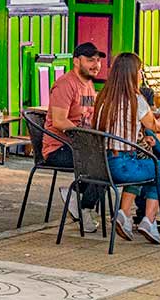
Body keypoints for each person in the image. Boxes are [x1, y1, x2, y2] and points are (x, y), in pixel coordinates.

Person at [91, 52, 160, 245]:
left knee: (143, 164)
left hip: (101, 165)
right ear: (133, 74)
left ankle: (125, 214)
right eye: (140, 71)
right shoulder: (136, 99)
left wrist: (142, 139)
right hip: (122, 166)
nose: (141, 75)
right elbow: (156, 126)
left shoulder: (103, 97)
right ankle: (149, 220)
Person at [44, 42, 105, 226]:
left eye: (98, 60)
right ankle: (84, 208)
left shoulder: (88, 85)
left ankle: (76, 195)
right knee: (101, 164)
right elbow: (59, 121)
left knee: (111, 160)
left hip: (80, 147)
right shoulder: (65, 84)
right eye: (90, 60)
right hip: (58, 148)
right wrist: (87, 141)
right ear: (76, 61)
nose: (96, 65)